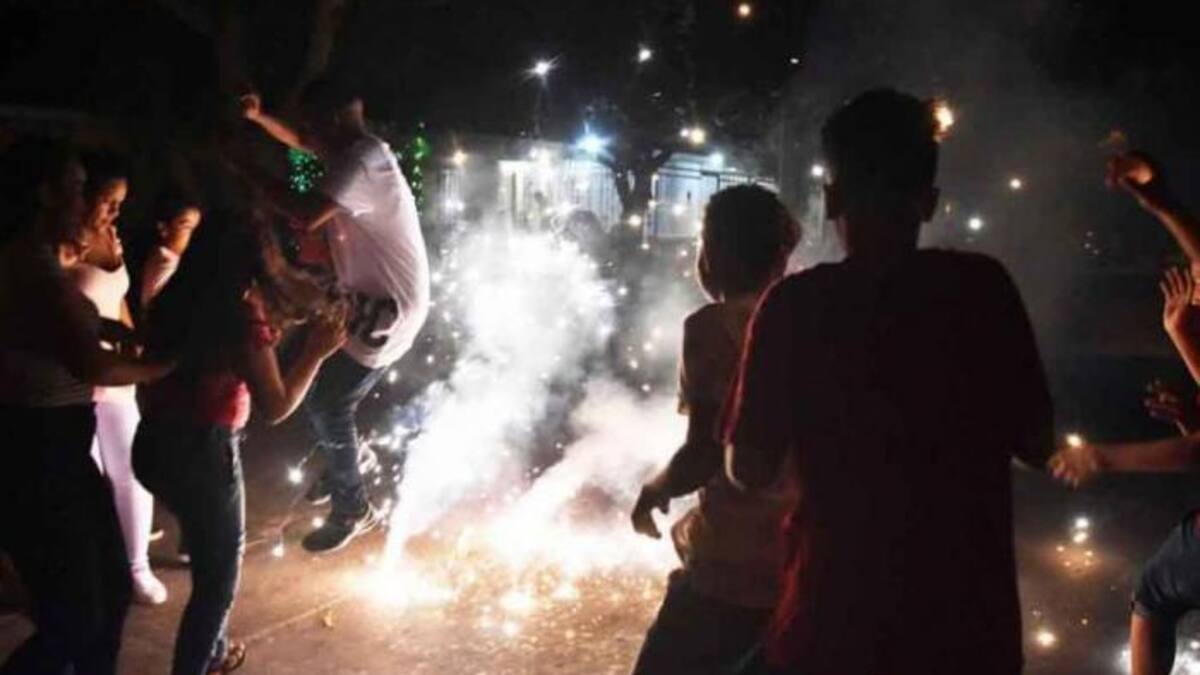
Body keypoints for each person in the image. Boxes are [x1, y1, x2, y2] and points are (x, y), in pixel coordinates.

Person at [723, 89, 1054, 675]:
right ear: (929, 201)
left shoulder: (795, 307)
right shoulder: (983, 289)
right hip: (968, 631)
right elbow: (1037, 443)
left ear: (832, 197)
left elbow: (749, 467)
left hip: (834, 627)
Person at [134, 214, 347, 675]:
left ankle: (213, 653)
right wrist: (316, 351)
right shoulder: (236, 314)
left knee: (209, 555)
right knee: (217, 584)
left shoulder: (181, 298)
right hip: (203, 453)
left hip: (154, 443)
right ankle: (197, 664)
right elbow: (276, 405)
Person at [0, 137, 173, 675]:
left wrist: (122, 334)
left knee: (112, 589)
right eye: (76, 189)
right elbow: (90, 364)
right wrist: (166, 369)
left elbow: (82, 322)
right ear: (44, 194)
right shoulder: (31, 267)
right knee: (73, 618)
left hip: (60, 448)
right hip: (37, 451)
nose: (84, 201)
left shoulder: (40, 259)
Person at [236, 79, 431, 553]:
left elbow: (306, 212)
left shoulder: (362, 162)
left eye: (312, 124)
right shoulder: (352, 151)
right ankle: (348, 459)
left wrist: (242, 167)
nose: (306, 135)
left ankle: (352, 507)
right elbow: (302, 141)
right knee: (315, 386)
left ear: (335, 120)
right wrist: (259, 118)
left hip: (387, 310)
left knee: (327, 402)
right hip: (367, 300)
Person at [629, 185, 800, 675]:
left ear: (713, 255)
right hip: (794, 556)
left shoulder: (710, 328)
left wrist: (656, 488)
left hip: (731, 561)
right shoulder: (802, 322)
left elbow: (704, 452)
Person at [140, 189, 203, 311]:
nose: (194, 235)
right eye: (187, 227)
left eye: (196, 228)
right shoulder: (166, 267)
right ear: (164, 228)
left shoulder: (175, 260)